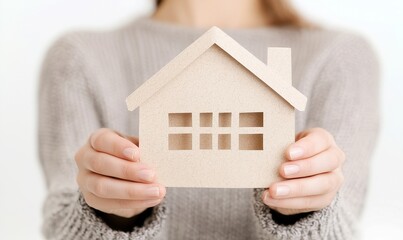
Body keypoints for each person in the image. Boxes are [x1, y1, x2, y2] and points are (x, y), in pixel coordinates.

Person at [38, 0, 379, 239]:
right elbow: (62, 228)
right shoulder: (81, 58)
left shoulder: (339, 58)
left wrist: (303, 211)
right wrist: (110, 215)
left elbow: (342, 232)